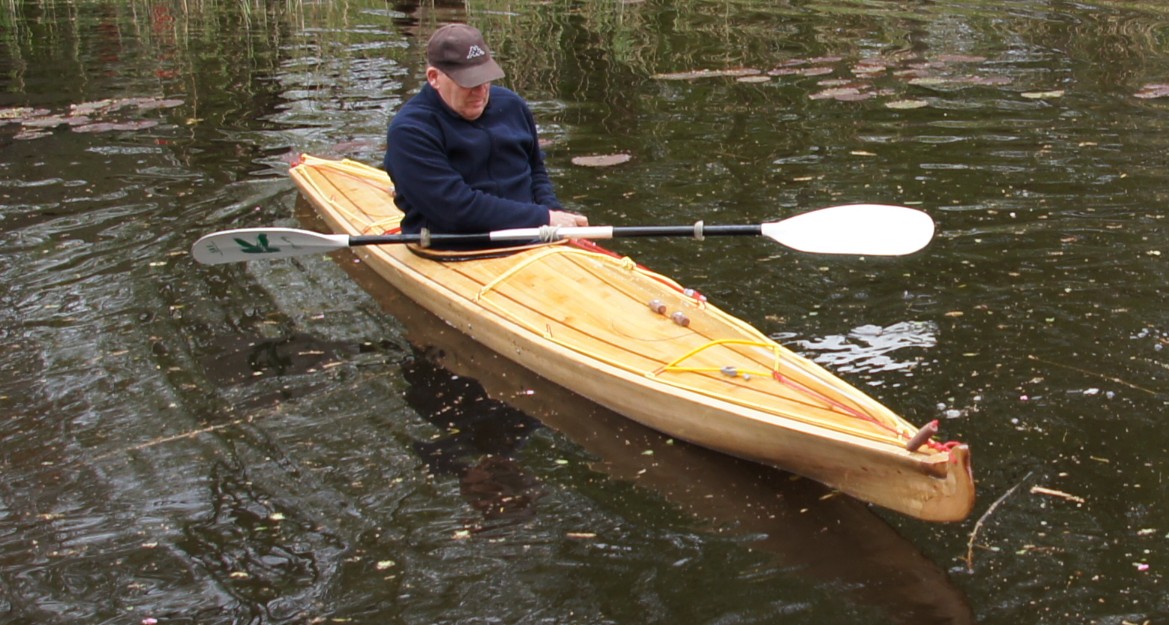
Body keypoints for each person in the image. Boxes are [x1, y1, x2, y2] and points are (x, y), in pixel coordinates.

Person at [384, 23, 586, 245]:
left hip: (534, 236)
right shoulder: (410, 131)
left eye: (485, 78)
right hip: (455, 247)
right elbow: (456, 209)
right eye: (469, 82)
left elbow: (535, 171)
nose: (481, 90)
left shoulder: (512, 106)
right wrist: (543, 217)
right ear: (434, 77)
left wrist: (555, 213)